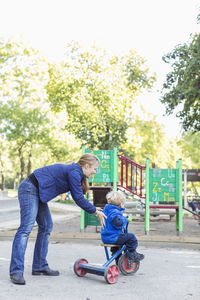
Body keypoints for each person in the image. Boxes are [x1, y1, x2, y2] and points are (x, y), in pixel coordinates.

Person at [10, 153, 106, 285]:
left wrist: (94, 209)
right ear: (87, 165)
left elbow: (78, 195)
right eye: (94, 168)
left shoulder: (76, 172)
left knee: (46, 226)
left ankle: (39, 266)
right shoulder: (74, 172)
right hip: (29, 189)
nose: (95, 171)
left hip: (39, 192)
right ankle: (16, 271)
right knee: (26, 229)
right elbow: (78, 198)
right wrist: (94, 211)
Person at [101, 190, 144, 264]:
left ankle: (118, 261)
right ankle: (132, 253)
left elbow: (113, 220)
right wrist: (125, 219)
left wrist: (123, 218)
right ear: (121, 204)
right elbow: (118, 223)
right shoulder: (115, 212)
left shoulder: (107, 210)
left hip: (106, 237)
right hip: (113, 237)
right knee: (131, 237)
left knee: (118, 246)